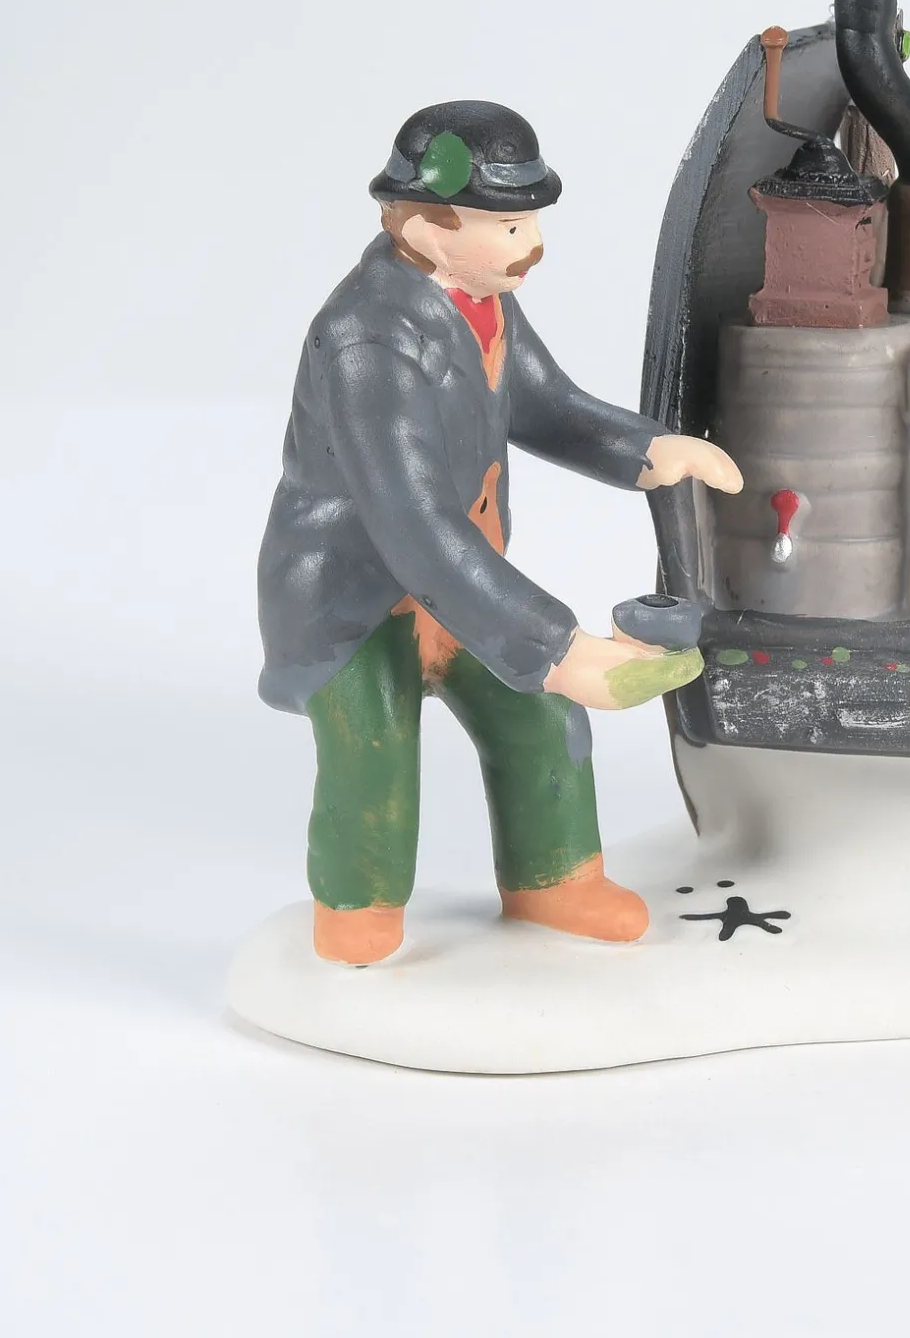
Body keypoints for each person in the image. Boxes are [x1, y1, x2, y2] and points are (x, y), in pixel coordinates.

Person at [257, 101, 741, 964]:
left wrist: (649, 451)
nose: (532, 245)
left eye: (531, 221)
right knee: (374, 751)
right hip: (355, 598)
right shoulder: (366, 337)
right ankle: (356, 905)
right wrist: (558, 646)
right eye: (509, 226)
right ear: (426, 227)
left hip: (462, 582)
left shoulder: (483, 301)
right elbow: (410, 522)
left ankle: (555, 879)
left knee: (541, 719)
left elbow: (546, 404)